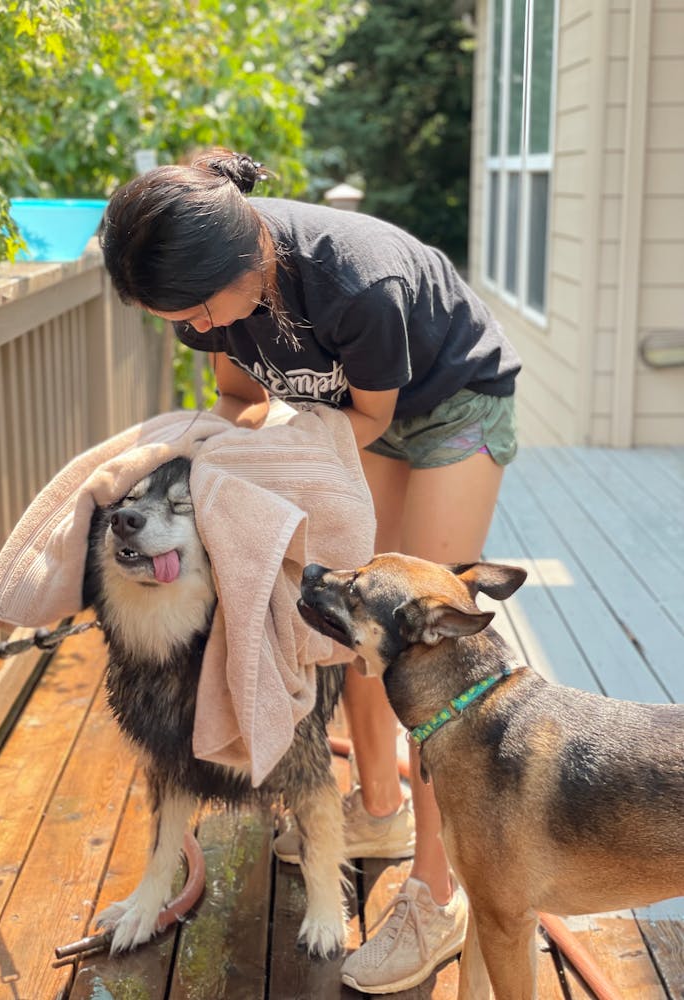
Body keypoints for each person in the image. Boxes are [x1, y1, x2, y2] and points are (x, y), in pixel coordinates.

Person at [99, 148, 520, 994]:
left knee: (415, 647)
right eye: (177, 319)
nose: (199, 328)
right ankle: (376, 813)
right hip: (345, 417)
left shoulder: (356, 284)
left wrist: (263, 476)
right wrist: (202, 457)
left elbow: (366, 421)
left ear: (248, 261)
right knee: (346, 622)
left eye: (201, 311)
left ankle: (436, 898)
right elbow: (235, 401)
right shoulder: (205, 301)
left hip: (445, 404)